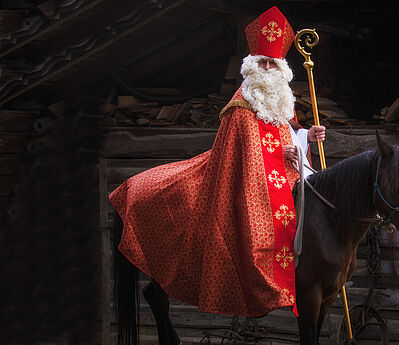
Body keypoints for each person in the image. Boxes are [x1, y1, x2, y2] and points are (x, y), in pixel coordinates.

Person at [109, 6, 325, 317]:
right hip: (242, 179)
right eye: (262, 62)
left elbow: (289, 135)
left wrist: (307, 137)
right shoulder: (239, 106)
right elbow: (246, 155)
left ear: (281, 70)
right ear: (251, 66)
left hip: (280, 175)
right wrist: (281, 153)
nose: (266, 69)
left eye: (272, 64)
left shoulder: (282, 103)